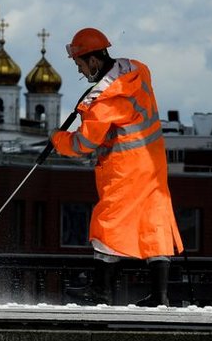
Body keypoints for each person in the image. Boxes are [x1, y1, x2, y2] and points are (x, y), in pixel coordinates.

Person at [51, 28, 183, 306]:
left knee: (108, 222)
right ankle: (160, 296)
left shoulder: (104, 102)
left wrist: (57, 139)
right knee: (153, 221)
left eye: (80, 65)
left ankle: (101, 291)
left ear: (94, 61)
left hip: (124, 168)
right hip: (154, 163)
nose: (81, 72)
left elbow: (83, 144)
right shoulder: (138, 71)